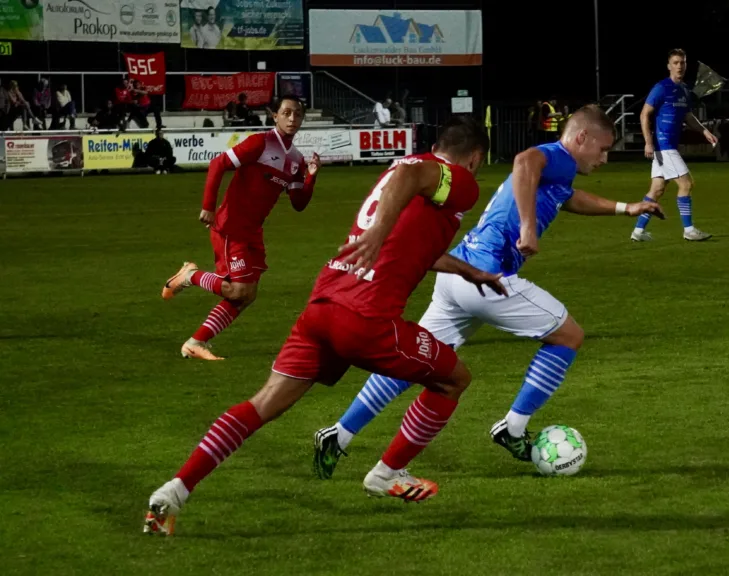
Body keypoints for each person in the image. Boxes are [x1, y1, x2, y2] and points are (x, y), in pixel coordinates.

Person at [144, 116, 498, 535]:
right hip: (366, 318)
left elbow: (413, 242)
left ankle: (174, 491)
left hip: (323, 306)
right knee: (453, 379)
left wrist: (469, 271)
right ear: (475, 157)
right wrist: (379, 232)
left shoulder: (405, 168)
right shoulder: (456, 179)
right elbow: (411, 179)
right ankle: (388, 473)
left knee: (262, 404)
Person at [311, 105, 664, 477]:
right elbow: (524, 162)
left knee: (415, 361)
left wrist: (625, 208)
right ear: (581, 138)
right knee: (568, 336)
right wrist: (527, 227)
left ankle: (340, 433)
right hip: (488, 276)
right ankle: (513, 427)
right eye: (603, 149)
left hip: (457, 276)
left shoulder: (559, 172)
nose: (604, 158)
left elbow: (568, 197)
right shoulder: (557, 156)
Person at [159, 95, 320, 360]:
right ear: (275, 116)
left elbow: (298, 203)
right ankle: (190, 275)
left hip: (253, 231)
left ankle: (195, 342)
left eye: (298, 114)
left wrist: (311, 177)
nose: (292, 118)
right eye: (287, 113)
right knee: (237, 290)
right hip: (230, 226)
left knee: (247, 295)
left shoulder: (296, 160)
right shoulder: (260, 143)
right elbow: (218, 164)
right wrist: (208, 206)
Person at [629, 48, 718, 244]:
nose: (679, 66)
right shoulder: (661, 88)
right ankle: (689, 230)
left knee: (657, 190)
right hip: (664, 146)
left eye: (682, 62)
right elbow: (644, 114)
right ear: (669, 66)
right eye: (676, 63)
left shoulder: (684, 89)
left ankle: (638, 231)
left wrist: (704, 131)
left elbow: (688, 116)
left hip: (667, 148)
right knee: (686, 184)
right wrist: (648, 142)